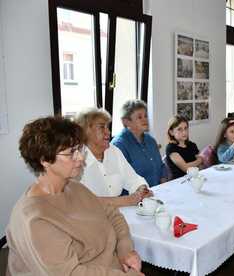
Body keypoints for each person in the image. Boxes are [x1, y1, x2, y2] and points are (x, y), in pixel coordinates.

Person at [7, 116, 144, 275]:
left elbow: (113, 215)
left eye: (79, 149)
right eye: (71, 152)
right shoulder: (36, 219)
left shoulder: (75, 188)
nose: (80, 158)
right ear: (44, 160)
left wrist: (125, 250)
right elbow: (70, 273)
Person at [75, 108, 153, 207]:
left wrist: (142, 189)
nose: (108, 132)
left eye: (107, 127)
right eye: (102, 127)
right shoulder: (76, 159)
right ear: (86, 131)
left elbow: (133, 179)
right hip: (91, 218)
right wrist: (127, 200)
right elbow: (84, 201)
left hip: (118, 214)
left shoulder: (113, 151)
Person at [112, 100, 167, 186]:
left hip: (156, 191)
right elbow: (122, 181)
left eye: (145, 116)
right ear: (126, 121)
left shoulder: (151, 140)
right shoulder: (119, 145)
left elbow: (161, 166)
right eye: (139, 117)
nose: (145, 119)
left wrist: (163, 187)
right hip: (135, 197)